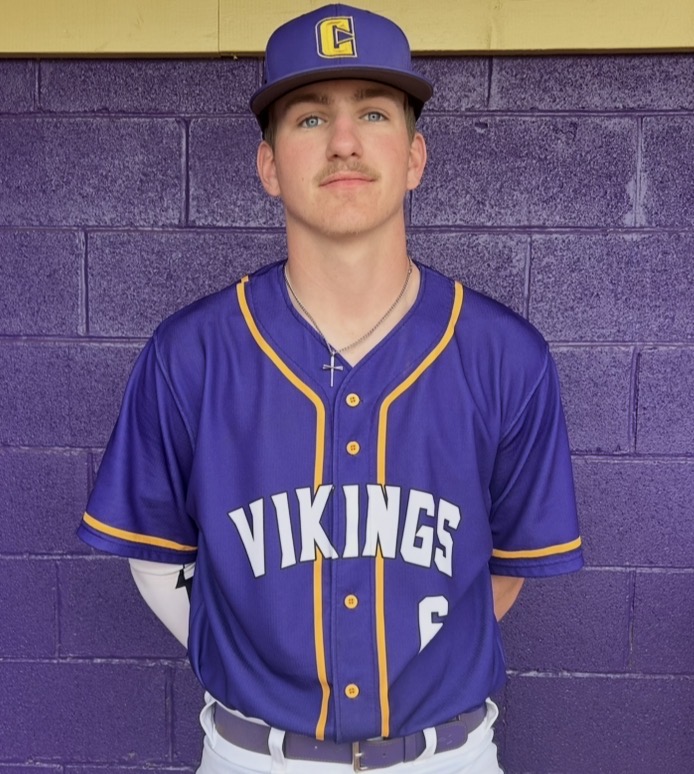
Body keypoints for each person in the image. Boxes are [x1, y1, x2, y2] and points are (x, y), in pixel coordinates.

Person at [78, 5, 583, 772]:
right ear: (268, 165)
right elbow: (154, 558)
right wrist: (258, 662)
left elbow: (506, 569)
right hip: (252, 757)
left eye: (373, 113)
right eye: (310, 118)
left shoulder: (505, 356)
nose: (344, 141)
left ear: (415, 156)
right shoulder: (191, 354)